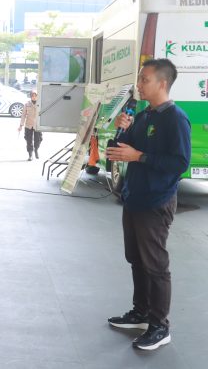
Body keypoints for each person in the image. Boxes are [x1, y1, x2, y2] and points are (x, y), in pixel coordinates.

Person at [106, 59, 191, 351]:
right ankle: (140, 313)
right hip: (134, 197)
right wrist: (121, 130)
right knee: (137, 259)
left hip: (156, 201)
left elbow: (179, 163)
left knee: (155, 265)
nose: (139, 85)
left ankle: (159, 326)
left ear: (162, 83)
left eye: (145, 79)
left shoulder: (175, 119)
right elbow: (118, 152)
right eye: (140, 79)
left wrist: (139, 156)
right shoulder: (143, 116)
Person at [18, 90, 42, 161]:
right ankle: (30, 155)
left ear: (37, 96)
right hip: (28, 125)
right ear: (30, 97)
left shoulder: (40, 103)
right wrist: (21, 125)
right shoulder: (27, 104)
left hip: (37, 125)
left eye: (35, 96)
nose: (34, 97)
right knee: (28, 140)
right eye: (32, 96)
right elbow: (23, 115)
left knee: (38, 139)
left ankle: (36, 149)